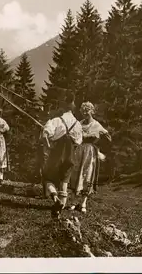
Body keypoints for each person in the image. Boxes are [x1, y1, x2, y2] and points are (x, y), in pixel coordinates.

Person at [40, 92, 83, 220]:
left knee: (47, 178)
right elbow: (78, 141)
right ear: (73, 107)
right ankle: (59, 212)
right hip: (70, 155)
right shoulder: (77, 124)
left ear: (63, 107)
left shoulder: (57, 120)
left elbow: (45, 134)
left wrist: (49, 144)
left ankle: (55, 198)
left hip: (57, 154)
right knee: (64, 181)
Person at [69, 102, 111, 213]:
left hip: (90, 152)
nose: (85, 113)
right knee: (76, 173)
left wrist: (98, 139)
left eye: (87, 110)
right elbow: (73, 135)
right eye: (83, 110)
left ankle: (83, 203)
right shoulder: (79, 123)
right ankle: (73, 201)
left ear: (92, 111)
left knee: (87, 175)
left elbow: (108, 137)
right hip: (78, 151)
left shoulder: (96, 125)